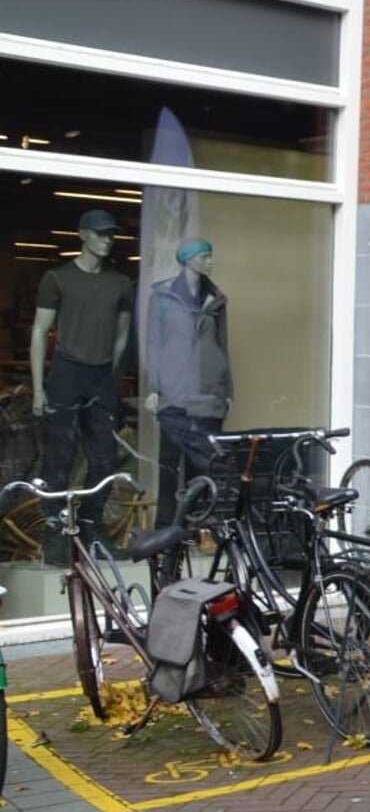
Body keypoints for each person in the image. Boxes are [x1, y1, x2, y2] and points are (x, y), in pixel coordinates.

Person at [31, 209, 133, 561]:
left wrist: (112, 379)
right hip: (66, 372)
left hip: (101, 376)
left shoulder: (120, 283)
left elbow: (122, 337)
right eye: (101, 233)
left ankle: (91, 526)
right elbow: (39, 331)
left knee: (104, 458)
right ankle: (56, 533)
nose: (108, 239)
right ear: (83, 235)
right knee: (59, 457)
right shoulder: (57, 278)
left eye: (112, 234)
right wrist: (39, 388)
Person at [145, 238, 232, 527]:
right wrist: (154, 387)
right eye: (205, 256)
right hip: (174, 392)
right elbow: (154, 344)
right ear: (189, 260)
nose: (210, 262)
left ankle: (195, 528)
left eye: (210, 256)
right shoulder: (163, 297)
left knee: (203, 465)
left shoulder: (216, 298)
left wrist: (227, 390)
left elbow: (223, 345)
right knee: (169, 463)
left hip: (208, 394)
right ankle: (166, 527)